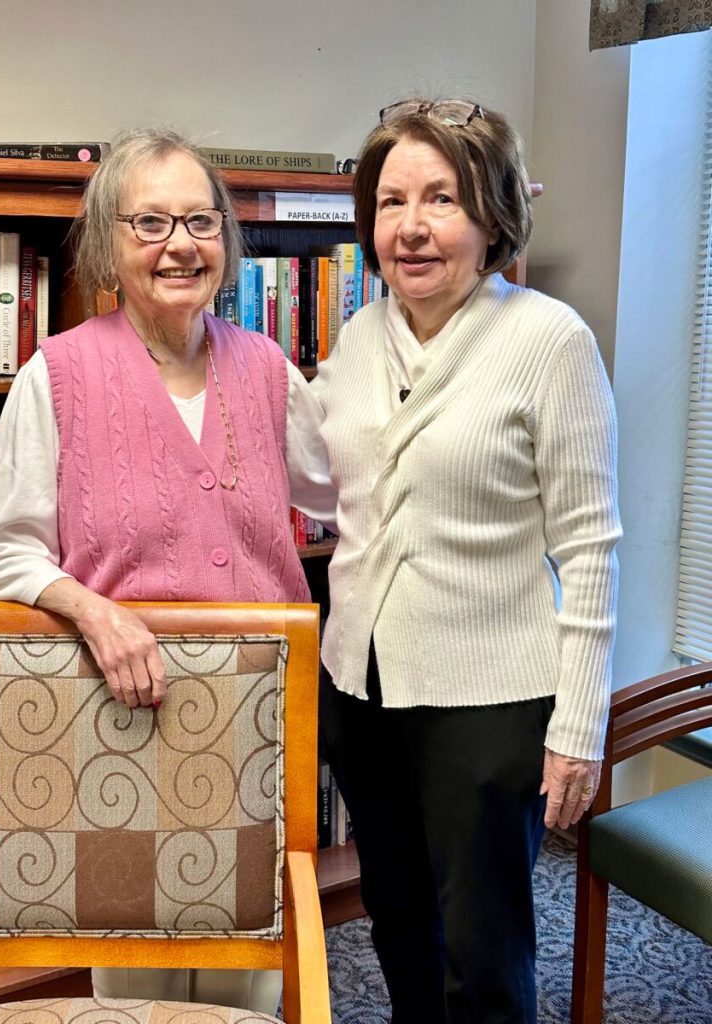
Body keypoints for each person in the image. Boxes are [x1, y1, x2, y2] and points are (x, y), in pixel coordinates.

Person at [0, 127, 335, 1013]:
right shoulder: (54, 377)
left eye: (202, 221)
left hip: (260, 732)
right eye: (152, 223)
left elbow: (347, 497)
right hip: (122, 729)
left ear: (227, 242)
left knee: (251, 985)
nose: (181, 245)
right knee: (136, 986)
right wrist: (94, 611)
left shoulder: (273, 371)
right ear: (108, 245)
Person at [313, 98, 621, 1024]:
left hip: (487, 702)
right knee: (398, 919)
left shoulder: (548, 340)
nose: (410, 227)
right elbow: (317, 468)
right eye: (391, 200)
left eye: (441, 199)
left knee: (482, 951)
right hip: (362, 689)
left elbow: (592, 547)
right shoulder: (364, 335)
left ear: (491, 217)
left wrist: (579, 727)